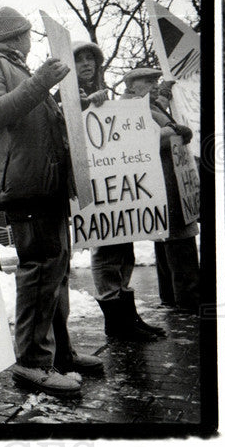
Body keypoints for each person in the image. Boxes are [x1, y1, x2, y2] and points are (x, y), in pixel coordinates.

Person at [0, 8, 103, 398]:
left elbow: (31, 118)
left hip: (45, 183)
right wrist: (43, 82)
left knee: (54, 275)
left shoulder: (14, 67)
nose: (31, 40)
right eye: (27, 34)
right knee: (40, 272)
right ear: (18, 35)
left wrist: (72, 101)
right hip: (24, 185)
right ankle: (31, 363)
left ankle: (59, 356)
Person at [73, 44, 164, 341]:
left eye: (91, 59)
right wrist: (85, 105)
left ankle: (127, 318)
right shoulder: (64, 91)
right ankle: (116, 323)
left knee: (123, 247)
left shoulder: (96, 89)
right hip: (93, 184)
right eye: (80, 59)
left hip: (113, 183)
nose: (87, 64)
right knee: (106, 247)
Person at [123, 69, 201, 311]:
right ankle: (188, 299)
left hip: (168, 181)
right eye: (148, 82)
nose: (154, 86)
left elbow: (160, 101)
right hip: (164, 182)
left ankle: (171, 296)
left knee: (167, 238)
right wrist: (176, 132)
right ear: (132, 86)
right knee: (180, 238)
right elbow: (145, 140)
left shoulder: (147, 103)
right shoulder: (131, 109)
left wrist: (167, 86)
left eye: (155, 81)